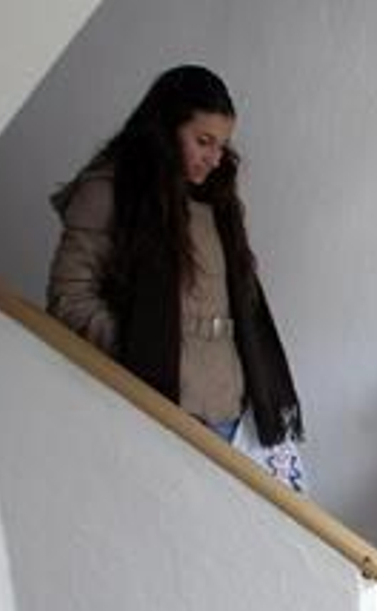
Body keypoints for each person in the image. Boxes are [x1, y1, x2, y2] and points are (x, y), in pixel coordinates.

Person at [46, 64, 306, 491]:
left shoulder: (219, 201)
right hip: (157, 403)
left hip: (235, 412)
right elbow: (69, 297)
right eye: (203, 141)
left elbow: (238, 302)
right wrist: (140, 352)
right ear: (165, 128)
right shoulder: (109, 192)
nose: (214, 158)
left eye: (221, 146)